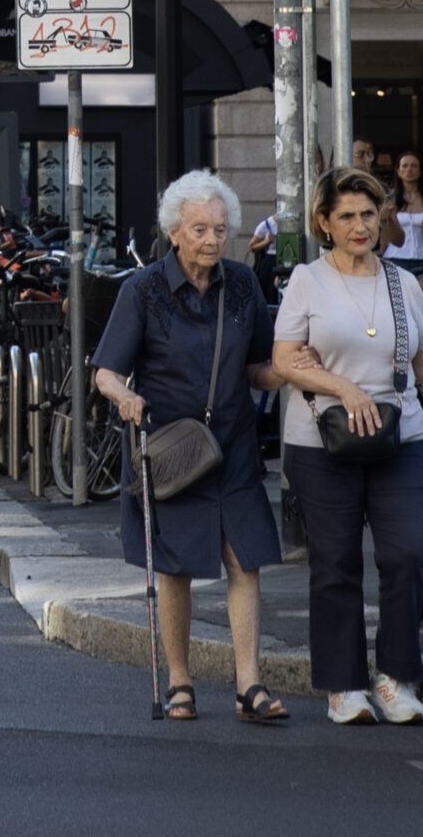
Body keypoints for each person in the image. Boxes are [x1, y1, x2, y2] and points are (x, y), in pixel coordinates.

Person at [93, 170, 293, 727]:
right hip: (173, 451)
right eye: (200, 229)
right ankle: (180, 680)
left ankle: (248, 682)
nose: (211, 239)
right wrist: (124, 396)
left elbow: (256, 368)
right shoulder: (144, 290)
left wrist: (288, 372)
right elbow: (105, 372)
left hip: (232, 444)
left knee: (243, 559)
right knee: (175, 569)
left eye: (220, 229)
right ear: (175, 233)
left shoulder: (242, 286)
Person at [274, 169, 423, 725]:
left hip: (399, 436)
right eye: (347, 216)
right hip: (320, 442)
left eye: (369, 214)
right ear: (324, 224)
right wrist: (343, 387)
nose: (361, 226)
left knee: (407, 553)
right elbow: (286, 360)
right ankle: (343, 686)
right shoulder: (306, 281)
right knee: (335, 563)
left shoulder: (401, 282)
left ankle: (396, 677)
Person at [384, 150, 423, 320]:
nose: (409, 170)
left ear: (421, 171)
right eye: (405, 166)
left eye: (414, 166)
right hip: (396, 258)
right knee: (397, 311)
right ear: (398, 171)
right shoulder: (391, 199)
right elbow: (387, 234)